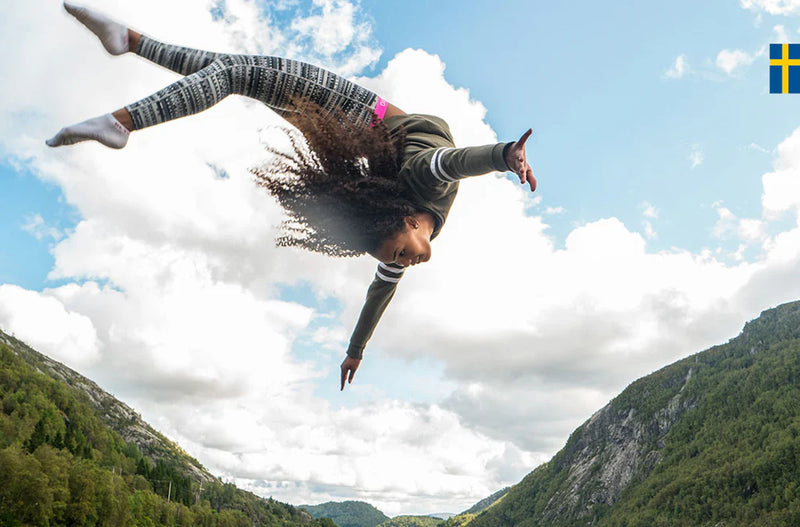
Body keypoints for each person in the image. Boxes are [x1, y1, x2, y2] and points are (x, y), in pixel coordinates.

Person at [47, 3, 537, 391]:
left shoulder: (404, 224)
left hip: (338, 119)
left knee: (234, 73)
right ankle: (124, 89)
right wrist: (502, 155)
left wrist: (355, 349)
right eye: (399, 257)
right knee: (234, 72)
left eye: (396, 258)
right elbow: (453, 162)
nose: (402, 264)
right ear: (407, 220)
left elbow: (378, 293)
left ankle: (128, 61)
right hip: (349, 109)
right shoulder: (424, 179)